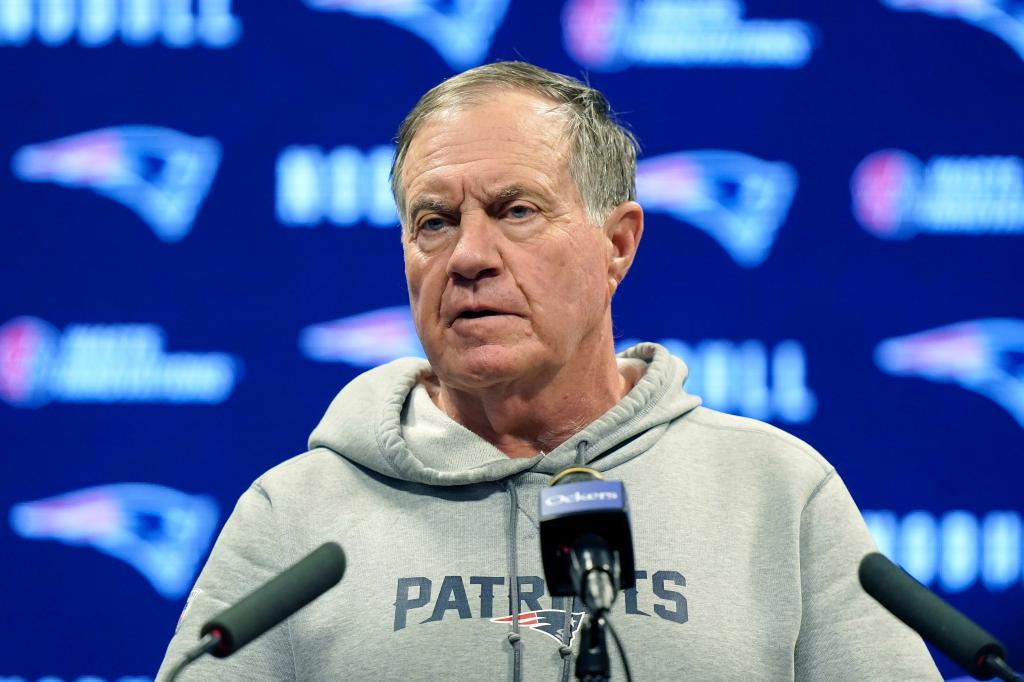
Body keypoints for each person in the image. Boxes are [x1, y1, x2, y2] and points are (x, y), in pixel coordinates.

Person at [158, 61, 940, 681]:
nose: (468, 256)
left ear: (618, 244)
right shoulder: (296, 517)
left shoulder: (776, 494)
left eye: (516, 211)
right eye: (434, 221)